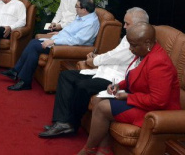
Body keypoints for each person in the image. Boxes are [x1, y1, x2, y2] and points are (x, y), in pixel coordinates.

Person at [39, 7, 149, 138]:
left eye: (127, 24)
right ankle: (61, 121)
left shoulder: (139, 40)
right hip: (104, 71)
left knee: (82, 85)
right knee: (66, 76)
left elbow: (117, 56)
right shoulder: (128, 36)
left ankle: (71, 123)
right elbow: (114, 54)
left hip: (116, 80)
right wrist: (96, 58)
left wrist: (95, 60)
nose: (124, 26)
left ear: (139, 25)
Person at [76, 22, 181, 155]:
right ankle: (104, 148)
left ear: (148, 43)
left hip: (156, 111)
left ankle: (88, 149)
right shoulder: (143, 52)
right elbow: (135, 76)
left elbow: (158, 101)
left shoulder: (158, 63)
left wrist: (127, 96)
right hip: (142, 100)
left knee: (103, 108)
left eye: (133, 45)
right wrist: (119, 85)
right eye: (130, 44)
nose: (130, 49)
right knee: (98, 99)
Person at [1, 0, 99, 90]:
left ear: (84, 9)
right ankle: (22, 79)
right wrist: (60, 33)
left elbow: (76, 40)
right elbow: (71, 30)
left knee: (34, 45)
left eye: (76, 6)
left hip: (68, 47)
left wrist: (54, 41)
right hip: (62, 40)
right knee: (34, 45)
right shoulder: (82, 16)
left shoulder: (90, 23)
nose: (75, 8)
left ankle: (18, 74)